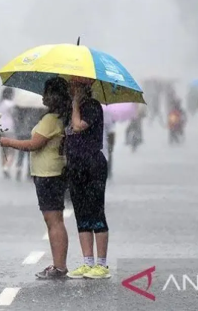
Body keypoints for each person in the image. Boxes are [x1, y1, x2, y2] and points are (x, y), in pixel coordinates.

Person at [0, 77, 71, 279]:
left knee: (53, 220)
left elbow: (34, 144)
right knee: (54, 220)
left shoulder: (51, 120)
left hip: (48, 173)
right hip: (53, 171)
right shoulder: (60, 117)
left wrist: (8, 142)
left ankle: (59, 266)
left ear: (54, 96)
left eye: (47, 93)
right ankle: (59, 264)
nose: (44, 96)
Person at [64, 77, 111, 279]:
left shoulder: (92, 107)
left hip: (93, 165)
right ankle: (87, 262)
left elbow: (77, 126)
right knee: (81, 214)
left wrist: (75, 104)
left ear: (84, 88)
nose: (71, 90)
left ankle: (101, 264)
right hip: (75, 166)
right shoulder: (72, 107)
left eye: (74, 87)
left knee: (96, 212)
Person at [0, 88, 16, 177]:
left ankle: (3, 167)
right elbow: (15, 116)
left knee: (3, 151)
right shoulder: (11, 105)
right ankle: (7, 167)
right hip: (10, 129)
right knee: (11, 151)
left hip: (0, 128)